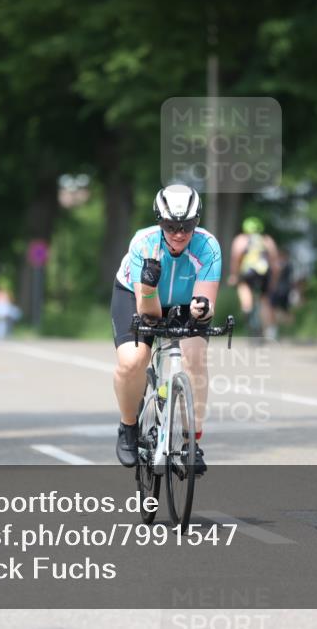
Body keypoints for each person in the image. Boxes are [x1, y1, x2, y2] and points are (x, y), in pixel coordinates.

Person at [111, 183, 221, 473]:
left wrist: (202, 310)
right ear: (160, 222)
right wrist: (148, 286)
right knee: (133, 361)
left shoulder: (208, 246)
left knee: (195, 357)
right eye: (170, 225)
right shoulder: (143, 244)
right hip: (139, 298)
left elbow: (207, 304)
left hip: (186, 300)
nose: (179, 233)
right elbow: (148, 314)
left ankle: (191, 442)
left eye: (187, 225)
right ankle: (128, 426)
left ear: (196, 222)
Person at [228, 217, 280, 340]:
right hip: (264, 272)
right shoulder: (267, 240)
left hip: (248, 273)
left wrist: (234, 276)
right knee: (265, 300)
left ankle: (247, 310)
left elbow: (235, 258)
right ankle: (270, 331)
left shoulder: (240, 240)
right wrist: (273, 281)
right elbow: (275, 264)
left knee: (244, 290)